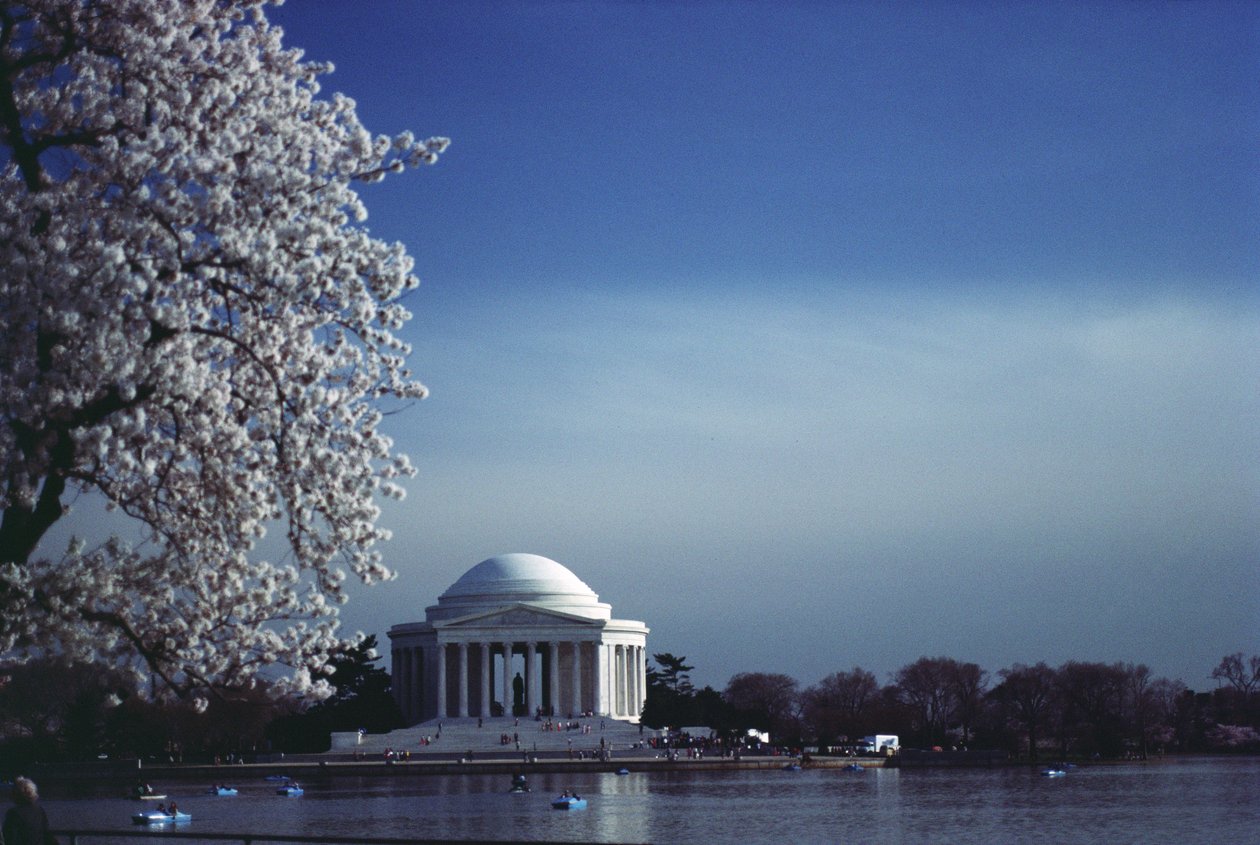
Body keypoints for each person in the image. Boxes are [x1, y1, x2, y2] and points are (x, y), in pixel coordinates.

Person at [4, 778, 52, 845]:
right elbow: (46, 834)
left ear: (17, 793)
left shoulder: (13, 813)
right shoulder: (39, 810)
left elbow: (10, 839)